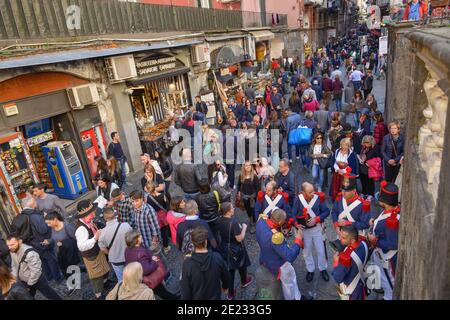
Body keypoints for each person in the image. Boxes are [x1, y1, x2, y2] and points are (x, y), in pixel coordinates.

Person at [255, 209, 311, 300]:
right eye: (284, 221)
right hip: (278, 263)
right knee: (290, 280)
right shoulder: (276, 237)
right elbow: (290, 256)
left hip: (264, 256)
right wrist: (298, 240)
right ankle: (294, 298)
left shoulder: (261, 220)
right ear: (280, 221)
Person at [11, 196, 62, 283]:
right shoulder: (34, 215)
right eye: (34, 201)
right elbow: (43, 229)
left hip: (31, 244)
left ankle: (49, 277)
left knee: (42, 260)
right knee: (51, 259)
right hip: (42, 242)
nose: (36, 203)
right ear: (30, 203)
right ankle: (57, 278)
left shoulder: (21, 215)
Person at [291, 182, 330, 282]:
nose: (313, 193)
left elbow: (326, 211)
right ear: (303, 192)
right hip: (304, 231)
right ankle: (310, 270)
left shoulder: (318, 198)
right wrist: (296, 224)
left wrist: (317, 218)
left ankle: (323, 269)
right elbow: (293, 213)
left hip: (317, 228)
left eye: (313, 190)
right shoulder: (298, 199)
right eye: (310, 192)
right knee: (307, 252)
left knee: (321, 250)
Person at [368, 181, 400, 301]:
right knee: (383, 279)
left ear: (385, 203)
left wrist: (374, 241)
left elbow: (392, 244)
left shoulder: (393, 219)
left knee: (389, 283)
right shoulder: (390, 211)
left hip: (387, 257)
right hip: (381, 254)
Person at [124, 230, 179, 300]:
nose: (141, 236)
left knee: (160, 291)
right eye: (139, 236)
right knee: (162, 292)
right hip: (149, 279)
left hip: (138, 278)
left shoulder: (127, 249)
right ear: (135, 240)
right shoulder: (140, 253)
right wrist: (154, 261)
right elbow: (146, 270)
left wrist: (150, 257)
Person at [180, 225, 231, 300]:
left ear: (193, 243)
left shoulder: (187, 264)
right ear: (206, 242)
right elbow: (226, 275)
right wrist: (225, 286)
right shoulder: (217, 257)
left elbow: (185, 290)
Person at [6, 235, 62, 300]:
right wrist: (14, 278)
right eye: (8, 245)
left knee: (50, 294)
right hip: (24, 280)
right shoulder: (13, 251)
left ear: (20, 241)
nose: (9, 247)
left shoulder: (30, 253)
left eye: (12, 244)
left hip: (36, 279)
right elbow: (14, 265)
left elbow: (36, 272)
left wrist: (29, 285)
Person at [74, 200, 110, 299]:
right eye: (91, 213)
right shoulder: (81, 229)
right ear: (84, 216)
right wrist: (95, 238)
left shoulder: (88, 221)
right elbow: (81, 246)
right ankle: (98, 295)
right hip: (91, 255)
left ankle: (106, 282)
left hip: (97, 251)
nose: (94, 214)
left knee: (104, 268)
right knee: (96, 277)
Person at [216, 203, 253, 300]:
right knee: (241, 264)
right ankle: (244, 281)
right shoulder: (234, 222)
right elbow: (239, 238)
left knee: (230, 271)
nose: (233, 208)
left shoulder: (219, 219)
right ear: (228, 211)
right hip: (235, 248)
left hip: (224, 247)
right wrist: (244, 228)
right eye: (232, 208)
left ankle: (230, 294)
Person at [332, 225, 369, 300]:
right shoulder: (363, 243)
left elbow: (337, 278)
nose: (340, 239)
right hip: (359, 283)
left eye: (343, 238)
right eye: (340, 236)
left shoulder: (346, 257)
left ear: (352, 240)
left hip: (351, 289)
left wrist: (336, 262)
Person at [43, 212, 80, 283]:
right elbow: (54, 238)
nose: (48, 225)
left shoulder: (67, 227)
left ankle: (76, 279)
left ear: (55, 219)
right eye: (47, 223)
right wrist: (49, 241)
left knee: (72, 267)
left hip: (70, 253)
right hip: (61, 254)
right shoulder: (52, 228)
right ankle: (73, 283)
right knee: (65, 269)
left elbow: (76, 239)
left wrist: (63, 243)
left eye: (49, 223)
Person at [98, 208, 133, 283]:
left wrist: (110, 253)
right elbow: (132, 239)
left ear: (105, 218)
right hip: (129, 256)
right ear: (114, 215)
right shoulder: (126, 225)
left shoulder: (102, 233)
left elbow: (103, 249)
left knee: (121, 280)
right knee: (134, 276)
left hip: (115, 260)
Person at [237, 161, 260, 234]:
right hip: (245, 197)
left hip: (253, 197)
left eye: (249, 165)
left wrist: (258, 198)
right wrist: (239, 192)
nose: (248, 167)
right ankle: (251, 219)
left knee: (253, 210)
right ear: (244, 167)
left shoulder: (254, 176)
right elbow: (238, 185)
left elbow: (258, 188)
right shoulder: (241, 175)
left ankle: (253, 223)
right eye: (246, 165)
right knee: (248, 210)